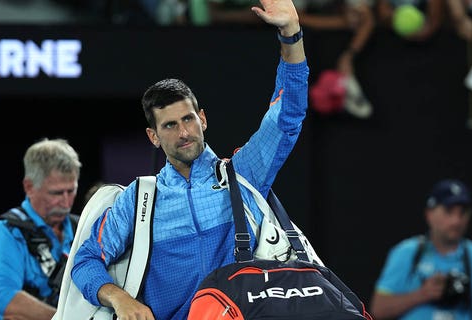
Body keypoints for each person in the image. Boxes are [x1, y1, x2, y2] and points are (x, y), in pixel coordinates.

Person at [70, 0, 308, 319]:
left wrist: (291, 33)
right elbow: (85, 261)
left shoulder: (244, 173)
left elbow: (287, 114)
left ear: (203, 119)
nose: (184, 132)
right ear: (153, 136)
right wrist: (119, 298)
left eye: (189, 119)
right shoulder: (138, 200)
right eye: (170, 125)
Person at [0, 138, 82, 320]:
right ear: (29, 187)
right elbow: (6, 301)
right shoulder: (7, 232)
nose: (66, 202)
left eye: (71, 191)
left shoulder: (82, 226)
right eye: (56, 193)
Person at [370, 179, 472, 320]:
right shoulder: (406, 252)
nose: (456, 221)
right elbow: (378, 310)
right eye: (448, 211)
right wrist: (423, 294)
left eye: (463, 213)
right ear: (429, 214)